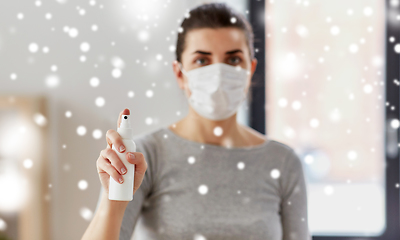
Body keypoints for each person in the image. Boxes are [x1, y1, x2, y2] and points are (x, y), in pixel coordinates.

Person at [82, 2, 311, 240]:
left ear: (250, 69)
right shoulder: (144, 157)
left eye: (233, 60)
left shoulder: (283, 163)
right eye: (202, 60)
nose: (218, 74)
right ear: (180, 73)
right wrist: (112, 202)